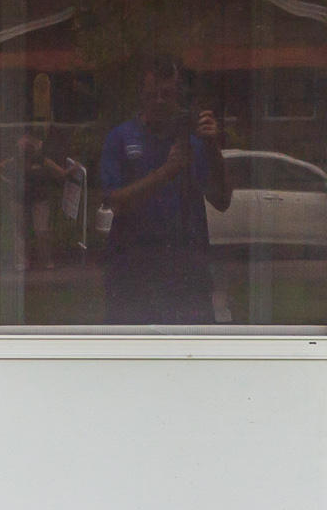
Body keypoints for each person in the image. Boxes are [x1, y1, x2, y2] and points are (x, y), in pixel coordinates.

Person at [94, 52, 230, 323]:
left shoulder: (192, 141)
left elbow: (222, 200)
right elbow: (115, 201)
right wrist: (165, 172)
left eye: (166, 94)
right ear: (141, 95)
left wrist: (213, 146)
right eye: (151, 94)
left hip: (186, 268)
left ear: (178, 95)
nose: (158, 101)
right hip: (133, 268)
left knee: (190, 343)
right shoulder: (121, 137)